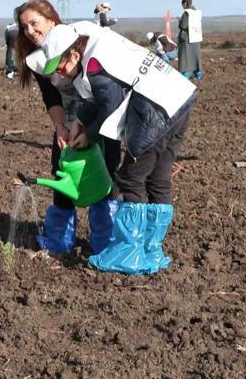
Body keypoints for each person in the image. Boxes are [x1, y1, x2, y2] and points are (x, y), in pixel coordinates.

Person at [39, 23, 195, 275]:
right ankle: (150, 249)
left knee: (131, 178)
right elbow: (96, 99)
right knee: (158, 177)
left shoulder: (94, 65)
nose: (60, 74)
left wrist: (88, 136)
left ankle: (129, 252)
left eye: (61, 66)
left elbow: (109, 105)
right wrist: (79, 121)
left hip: (155, 111)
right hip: (177, 100)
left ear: (74, 55)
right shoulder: (97, 49)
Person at [14, 0, 119, 256]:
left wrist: (91, 127)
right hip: (70, 119)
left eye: (34, 23)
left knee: (105, 173)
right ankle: (59, 239)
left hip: (101, 115)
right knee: (62, 172)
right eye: (24, 27)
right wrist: (60, 127)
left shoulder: (78, 42)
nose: (30, 31)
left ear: (51, 19)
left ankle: (106, 240)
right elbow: (51, 96)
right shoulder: (36, 59)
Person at [178, 0, 203, 80]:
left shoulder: (187, 13)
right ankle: (198, 73)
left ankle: (186, 73)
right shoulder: (197, 12)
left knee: (185, 57)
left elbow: (183, 25)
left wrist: (180, 22)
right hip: (196, 37)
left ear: (185, 4)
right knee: (196, 56)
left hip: (187, 39)